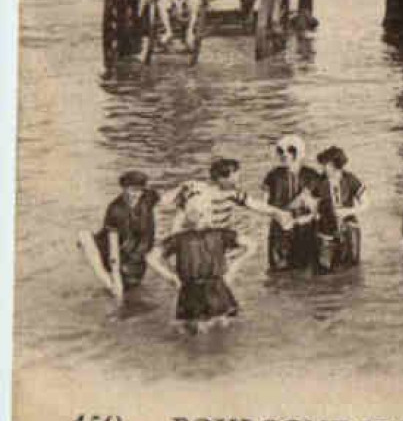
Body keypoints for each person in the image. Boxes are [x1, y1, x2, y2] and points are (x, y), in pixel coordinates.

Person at [147, 194, 255, 334]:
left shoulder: (179, 238)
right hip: (214, 287)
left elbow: (151, 258)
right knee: (223, 329)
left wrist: (171, 277)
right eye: (197, 212)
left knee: (196, 333)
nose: (200, 215)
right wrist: (234, 266)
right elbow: (252, 245)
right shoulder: (220, 234)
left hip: (196, 289)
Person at [89, 171, 160, 296]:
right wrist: (116, 279)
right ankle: (110, 284)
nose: (135, 195)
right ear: (124, 188)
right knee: (84, 237)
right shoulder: (115, 209)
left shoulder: (148, 196)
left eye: (139, 190)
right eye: (131, 190)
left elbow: (170, 199)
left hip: (137, 254)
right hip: (122, 251)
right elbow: (113, 246)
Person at [300, 146, 366, 273]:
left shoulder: (350, 179)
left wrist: (348, 211)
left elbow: (366, 203)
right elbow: (305, 198)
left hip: (349, 230)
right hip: (325, 233)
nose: (323, 168)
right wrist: (313, 209)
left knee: (353, 270)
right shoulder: (319, 181)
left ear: (335, 165)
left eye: (326, 164)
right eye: (323, 164)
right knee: (324, 271)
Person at [261, 136, 319, 271]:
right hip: (280, 228)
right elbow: (264, 203)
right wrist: (277, 216)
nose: (285, 155)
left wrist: (308, 217)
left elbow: (319, 204)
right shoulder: (273, 175)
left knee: (306, 269)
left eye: (291, 150)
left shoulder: (312, 175)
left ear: (300, 153)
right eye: (281, 151)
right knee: (278, 271)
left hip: (305, 227)